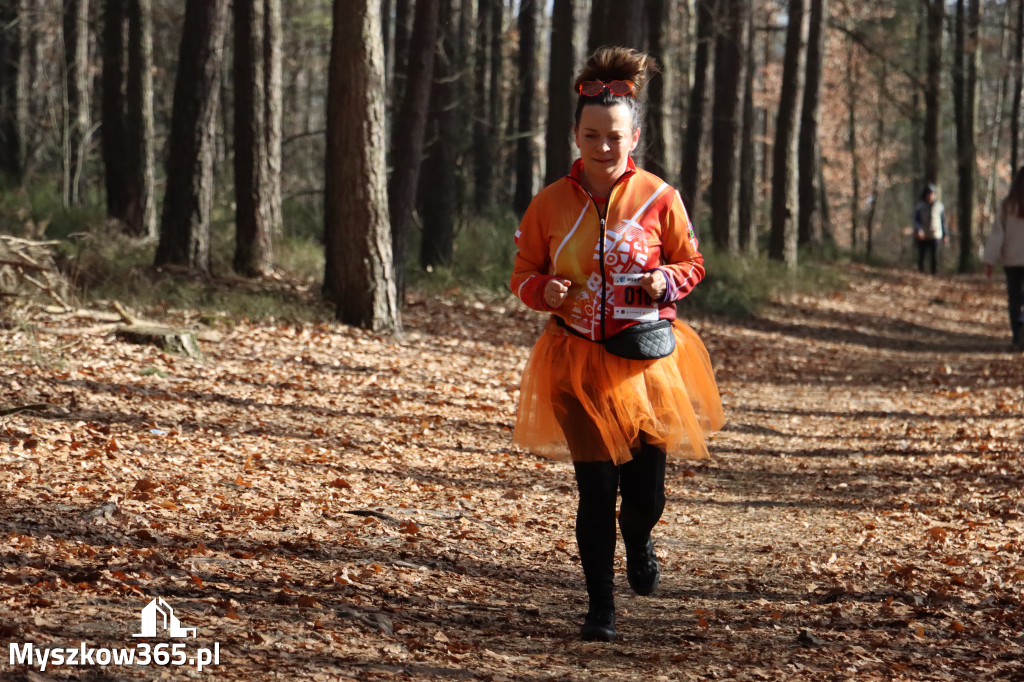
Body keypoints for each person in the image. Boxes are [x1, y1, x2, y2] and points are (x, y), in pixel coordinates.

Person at [510, 46, 724, 642]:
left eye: (615, 137)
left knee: (645, 493)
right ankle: (599, 607)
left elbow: (694, 262)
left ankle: (641, 538)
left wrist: (668, 278)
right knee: (596, 488)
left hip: (647, 360)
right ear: (576, 135)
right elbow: (522, 273)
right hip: (574, 360)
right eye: (592, 136)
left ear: (635, 137)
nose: (604, 147)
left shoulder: (660, 197)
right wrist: (544, 290)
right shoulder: (550, 202)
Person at [982, 167, 1024, 351]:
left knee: (1014, 299)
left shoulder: (1007, 206)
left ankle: (1017, 337)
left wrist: (990, 260)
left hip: (1012, 260)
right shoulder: (1006, 206)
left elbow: (997, 234)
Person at [912, 183, 947, 274]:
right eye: (929, 194)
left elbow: (943, 221)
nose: (930, 196)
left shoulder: (940, 206)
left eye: (932, 194)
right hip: (923, 234)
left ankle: (934, 273)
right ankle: (920, 272)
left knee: (934, 255)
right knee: (922, 255)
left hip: (936, 234)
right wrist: (918, 230)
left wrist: (945, 234)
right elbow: (916, 220)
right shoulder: (919, 207)